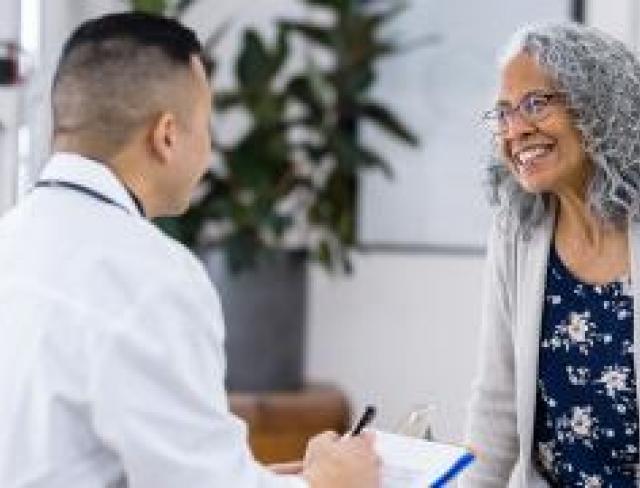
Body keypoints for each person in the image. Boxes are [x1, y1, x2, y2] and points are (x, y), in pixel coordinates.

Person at [0, 12, 379, 488]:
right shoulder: (151, 275)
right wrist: (333, 482)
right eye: (206, 123)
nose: (211, 145)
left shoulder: (12, 242)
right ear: (166, 136)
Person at [461, 22, 640, 487]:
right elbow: (495, 412)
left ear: (599, 109)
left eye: (535, 104)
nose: (515, 130)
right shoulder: (516, 233)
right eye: (503, 113)